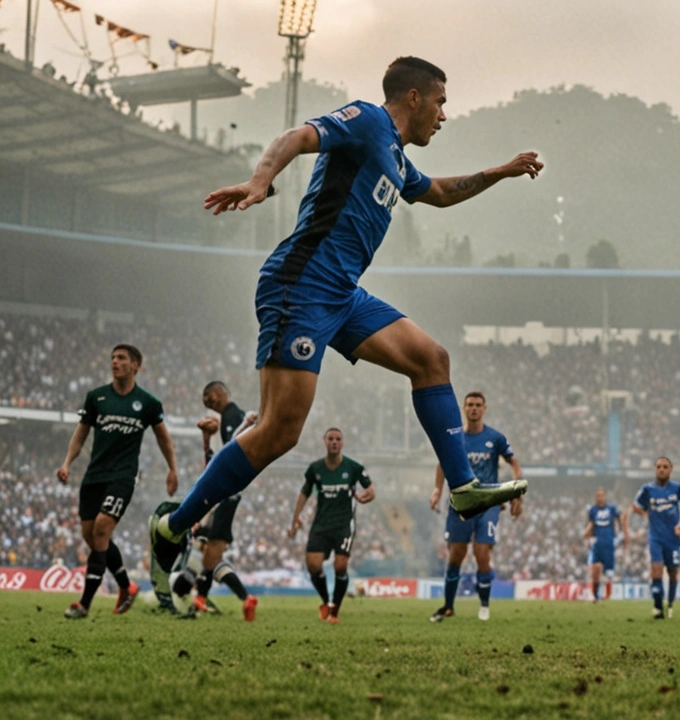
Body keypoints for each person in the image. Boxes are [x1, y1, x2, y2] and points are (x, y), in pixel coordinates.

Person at [158, 56, 536, 542]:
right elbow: (295, 137)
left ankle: (463, 486)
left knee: (431, 360)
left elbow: (439, 192)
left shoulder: (397, 159)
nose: (444, 115)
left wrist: (500, 172)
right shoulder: (368, 120)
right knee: (278, 432)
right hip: (302, 283)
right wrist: (259, 180)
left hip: (342, 293)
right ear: (414, 98)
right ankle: (172, 528)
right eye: (441, 103)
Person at [57, 344, 178, 619]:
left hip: (123, 477)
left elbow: (163, 437)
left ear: (136, 365)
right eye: (112, 358)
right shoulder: (96, 397)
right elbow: (81, 433)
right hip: (93, 476)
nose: (115, 362)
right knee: (91, 537)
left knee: (101, 529)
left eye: (121, 358)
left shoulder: (147, 403)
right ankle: (126, 586)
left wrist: (172, 469)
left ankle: (84, 604)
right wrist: (67, 462)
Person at [428, 391, 523, 622]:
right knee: (456, 555)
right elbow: (442, 463)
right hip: (460, 501)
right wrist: (438, 489)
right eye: (470, 405)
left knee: (482, 553)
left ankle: (484, 605)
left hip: (488, 501)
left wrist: (516, 491)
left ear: (484, 408)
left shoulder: (496, 438)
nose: (473, 408)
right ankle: (448, 606)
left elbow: (514, 461)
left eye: (478, 405)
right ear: (464, 408)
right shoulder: (454, 437)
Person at [288, 428, 375, 624]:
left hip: (344, 524)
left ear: (342, 443)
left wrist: (367, 495)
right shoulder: (315, 469)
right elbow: (305, 492)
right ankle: (326, 602)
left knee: (340, 566)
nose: (334, 442)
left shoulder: (353, 467)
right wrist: (296, 517)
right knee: (313, 566)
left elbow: (370, 488)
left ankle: (335, 610)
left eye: (338, 439)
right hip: (321, 524)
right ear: (324, 442)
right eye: (331, 439)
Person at [191, 381, 258, 620]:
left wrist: (246, 423)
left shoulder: (232, 414)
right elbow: (215, 458)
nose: (206, 401)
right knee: (209, 550)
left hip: (224, 493)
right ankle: (202, 597)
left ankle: (203, 596)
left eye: (208, 395)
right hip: (221, 491)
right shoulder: (224, 420)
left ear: (220, 393)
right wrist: (206, 437)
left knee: (210, 549)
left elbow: (234, 447)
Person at [631, 457, 680, 619]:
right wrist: (645, 515)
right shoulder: (647, 489)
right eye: (658, 466)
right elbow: (635, 506)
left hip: (673, 537)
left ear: (671, 469)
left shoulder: (678, 488)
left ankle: (670, 604)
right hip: (655, 536)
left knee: (673, 572)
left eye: (665, 466)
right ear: (655, 469)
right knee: (656, 570)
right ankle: (658, 607)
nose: (661, 469)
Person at [147, 500, 198, 616]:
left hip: (165, 520)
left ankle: (166, 596)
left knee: (164, 567)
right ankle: (167, 597)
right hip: (165, 521)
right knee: (164, 566)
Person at [583, 488, 627, 602]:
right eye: (598, 496)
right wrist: (587, 533)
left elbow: (619, 518)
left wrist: (622, 533)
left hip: (609, 542)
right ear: (595, 497)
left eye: (602, 495)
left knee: (609, 572)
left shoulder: (611, 508)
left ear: (605, 497)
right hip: (597, 543)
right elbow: (592, 524)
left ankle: (608, 595)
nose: (600, 498)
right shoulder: (592, 510)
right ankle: (595, 596)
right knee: (595, 570)